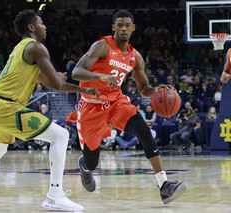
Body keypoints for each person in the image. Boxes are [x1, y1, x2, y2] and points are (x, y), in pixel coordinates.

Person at [0, 10, 100, 212]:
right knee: (61, 135)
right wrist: (59, 77)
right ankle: (55, 195)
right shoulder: (37, 48)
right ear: (31, 27)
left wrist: (82, 89)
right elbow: (57, 84)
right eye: (41, 23)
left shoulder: (21, 48)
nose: (45, 27)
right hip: (6, 107)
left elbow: (49, 82)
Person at [72, 10, 187, 204]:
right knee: (92, 161)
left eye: (127, 25)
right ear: (113, 27)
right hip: (91, 105)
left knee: (144, 131)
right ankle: (85, 167)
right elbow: (76, 72)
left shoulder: (135, 57)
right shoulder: (102, 46)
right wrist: (100, 76)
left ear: (133, 28)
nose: (123, 28)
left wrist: (157, 90)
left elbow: (144, 89)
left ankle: (164, 186)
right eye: (120, 25)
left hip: (116, 103)